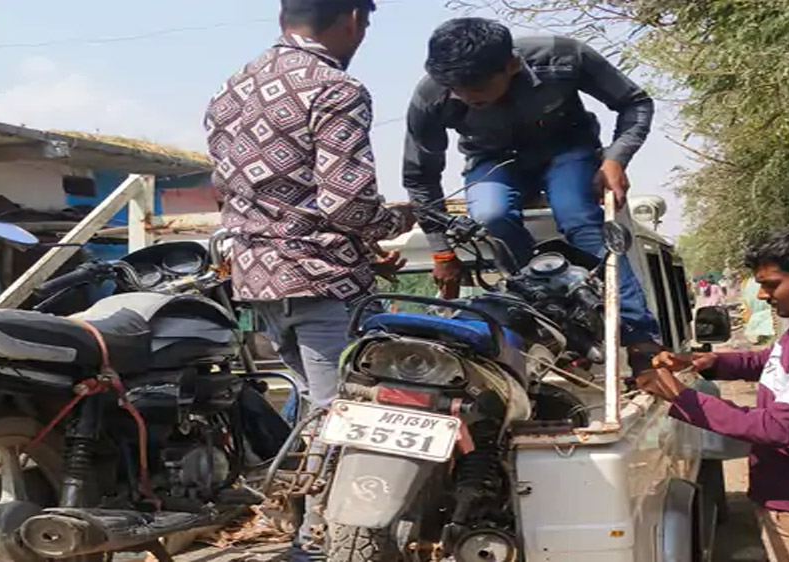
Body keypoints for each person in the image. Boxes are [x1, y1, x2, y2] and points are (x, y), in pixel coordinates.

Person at [204, 1, 414, 559]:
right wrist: (396, 221)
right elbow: (347, 204)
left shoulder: (230, 88)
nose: (362, 36)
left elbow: (233, 191)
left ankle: (306, 530)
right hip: (324, 280)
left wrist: (360, 245)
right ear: (352, 17)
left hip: (259, 282)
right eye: (365, 25)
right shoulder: (335, 88)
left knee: (314, 411)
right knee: (344, 418)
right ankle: (318, 544)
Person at [402, 17, 661, 370]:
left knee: (578, 215)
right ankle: (549, 322)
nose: (466, 97)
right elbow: (420, 177)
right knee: (490, 216)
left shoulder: (563, 56)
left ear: (511, 65)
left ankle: (639, 337)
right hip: (493, 161)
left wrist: (616, 159)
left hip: (567, 150)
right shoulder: (431, 95)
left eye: (476, 88)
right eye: (456, 90)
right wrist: (442, 251)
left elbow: (635, 103)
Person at [637, 226, 789, 562]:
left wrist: (681, 397)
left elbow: (779, 428)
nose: (762, 295)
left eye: (771, 284)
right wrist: (706, 362)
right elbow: (773, 361)